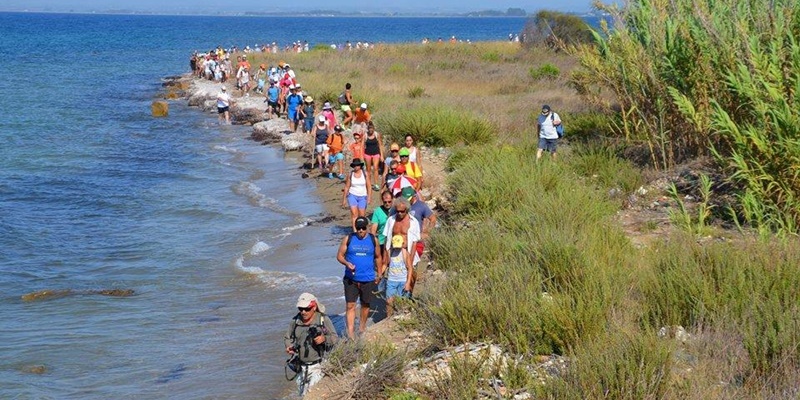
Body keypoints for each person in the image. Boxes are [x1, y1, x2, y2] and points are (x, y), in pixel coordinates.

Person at [284, 292, 337, 396]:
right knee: (302, 395)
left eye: (307, 309)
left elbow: (334, 338)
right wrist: (288, 346)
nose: (303, 312)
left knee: (310, 395)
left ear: (314, 307)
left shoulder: (323, 319)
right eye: (300, 309)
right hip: (301, 367)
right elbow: (287, 337)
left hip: (318, 365)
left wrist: (324, 339)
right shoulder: (295, 321)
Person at [336, 216, 380, 339]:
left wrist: (380, 272)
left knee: (365, 304)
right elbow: (339, 256)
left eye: (363, 228)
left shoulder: (373, 240)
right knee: (350, 305)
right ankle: (351, 334)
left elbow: (378, 257)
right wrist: (347, 263)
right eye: (358, 228)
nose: (360, 231)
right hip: (351, 279)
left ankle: (361, 328)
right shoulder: (348, 239)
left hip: (368, 277)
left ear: (367, 227)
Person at [403, 187, 436, 291]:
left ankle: (410, 292)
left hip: (417, 242)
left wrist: (426, 232)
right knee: (403, 267)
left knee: (412, 266)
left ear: (414, 196)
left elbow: (433, 219)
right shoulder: (401, 206)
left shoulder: (421, 206)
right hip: (404, 241)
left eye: (408, 199)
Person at [380, 235, 413, 317]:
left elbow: (410, 268)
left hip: (402, 281)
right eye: (395, 246)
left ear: (402, 244)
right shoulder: (390, 252)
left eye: (399, 246)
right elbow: (385, 264)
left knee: (402, 302)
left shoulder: (405, 253)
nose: (397, 248)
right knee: (389, 302)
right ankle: (388, 318)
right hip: (391, 280)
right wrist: (379, 274)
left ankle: (400, 318)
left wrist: (408, 283)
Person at [342, 158, 372, 231]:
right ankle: (355, 231)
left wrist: (369, 197)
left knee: (362, 215)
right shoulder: (350, 174)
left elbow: (369, 186)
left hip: (363, 196)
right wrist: (344, 199)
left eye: (358, 165)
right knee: (354, 214)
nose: (356, 167)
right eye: (354, 165)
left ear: (360, 166)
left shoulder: (365, 174)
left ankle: (362, 229)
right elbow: (346, 187)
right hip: (352, 195)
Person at [370, 190, 394, 267]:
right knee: (382, 262)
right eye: (385, 202)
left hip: (394, 240)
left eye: (389, 202)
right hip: (382, 241)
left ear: (392, 200)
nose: (387, 204)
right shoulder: (377, 211)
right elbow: (373, 230)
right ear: (382, 201)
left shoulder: (397, 210)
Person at [362, 122, 384, 191]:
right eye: (369, 128)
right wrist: (362, 156)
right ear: (368, 129)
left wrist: (382, 155)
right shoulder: (365, 135)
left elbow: (380, 145)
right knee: (368, 170)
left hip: (376, 153)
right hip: (367, 153)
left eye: (372, 128)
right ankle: (368, 184)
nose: (371, 130)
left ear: (374, 129)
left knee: (375, 168)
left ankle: (376, 184)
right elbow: (362, 146)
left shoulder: (377, 135)